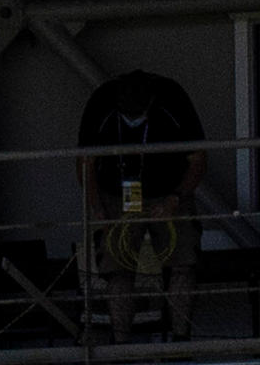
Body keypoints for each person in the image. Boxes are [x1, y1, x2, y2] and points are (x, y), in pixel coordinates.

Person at [76, 70, 203, 339]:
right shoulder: (101, 103)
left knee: (182, 262)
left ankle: (181, 341)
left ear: (152, 101)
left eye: (138, 113)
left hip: (170, 189)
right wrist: (98, 211)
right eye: (126, 113)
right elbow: (85, 164)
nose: (132, 119)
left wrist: (175, 199)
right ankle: (121, 343)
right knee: (116, 267)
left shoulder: (173, 99)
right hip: (116, 193)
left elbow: (198, 159)